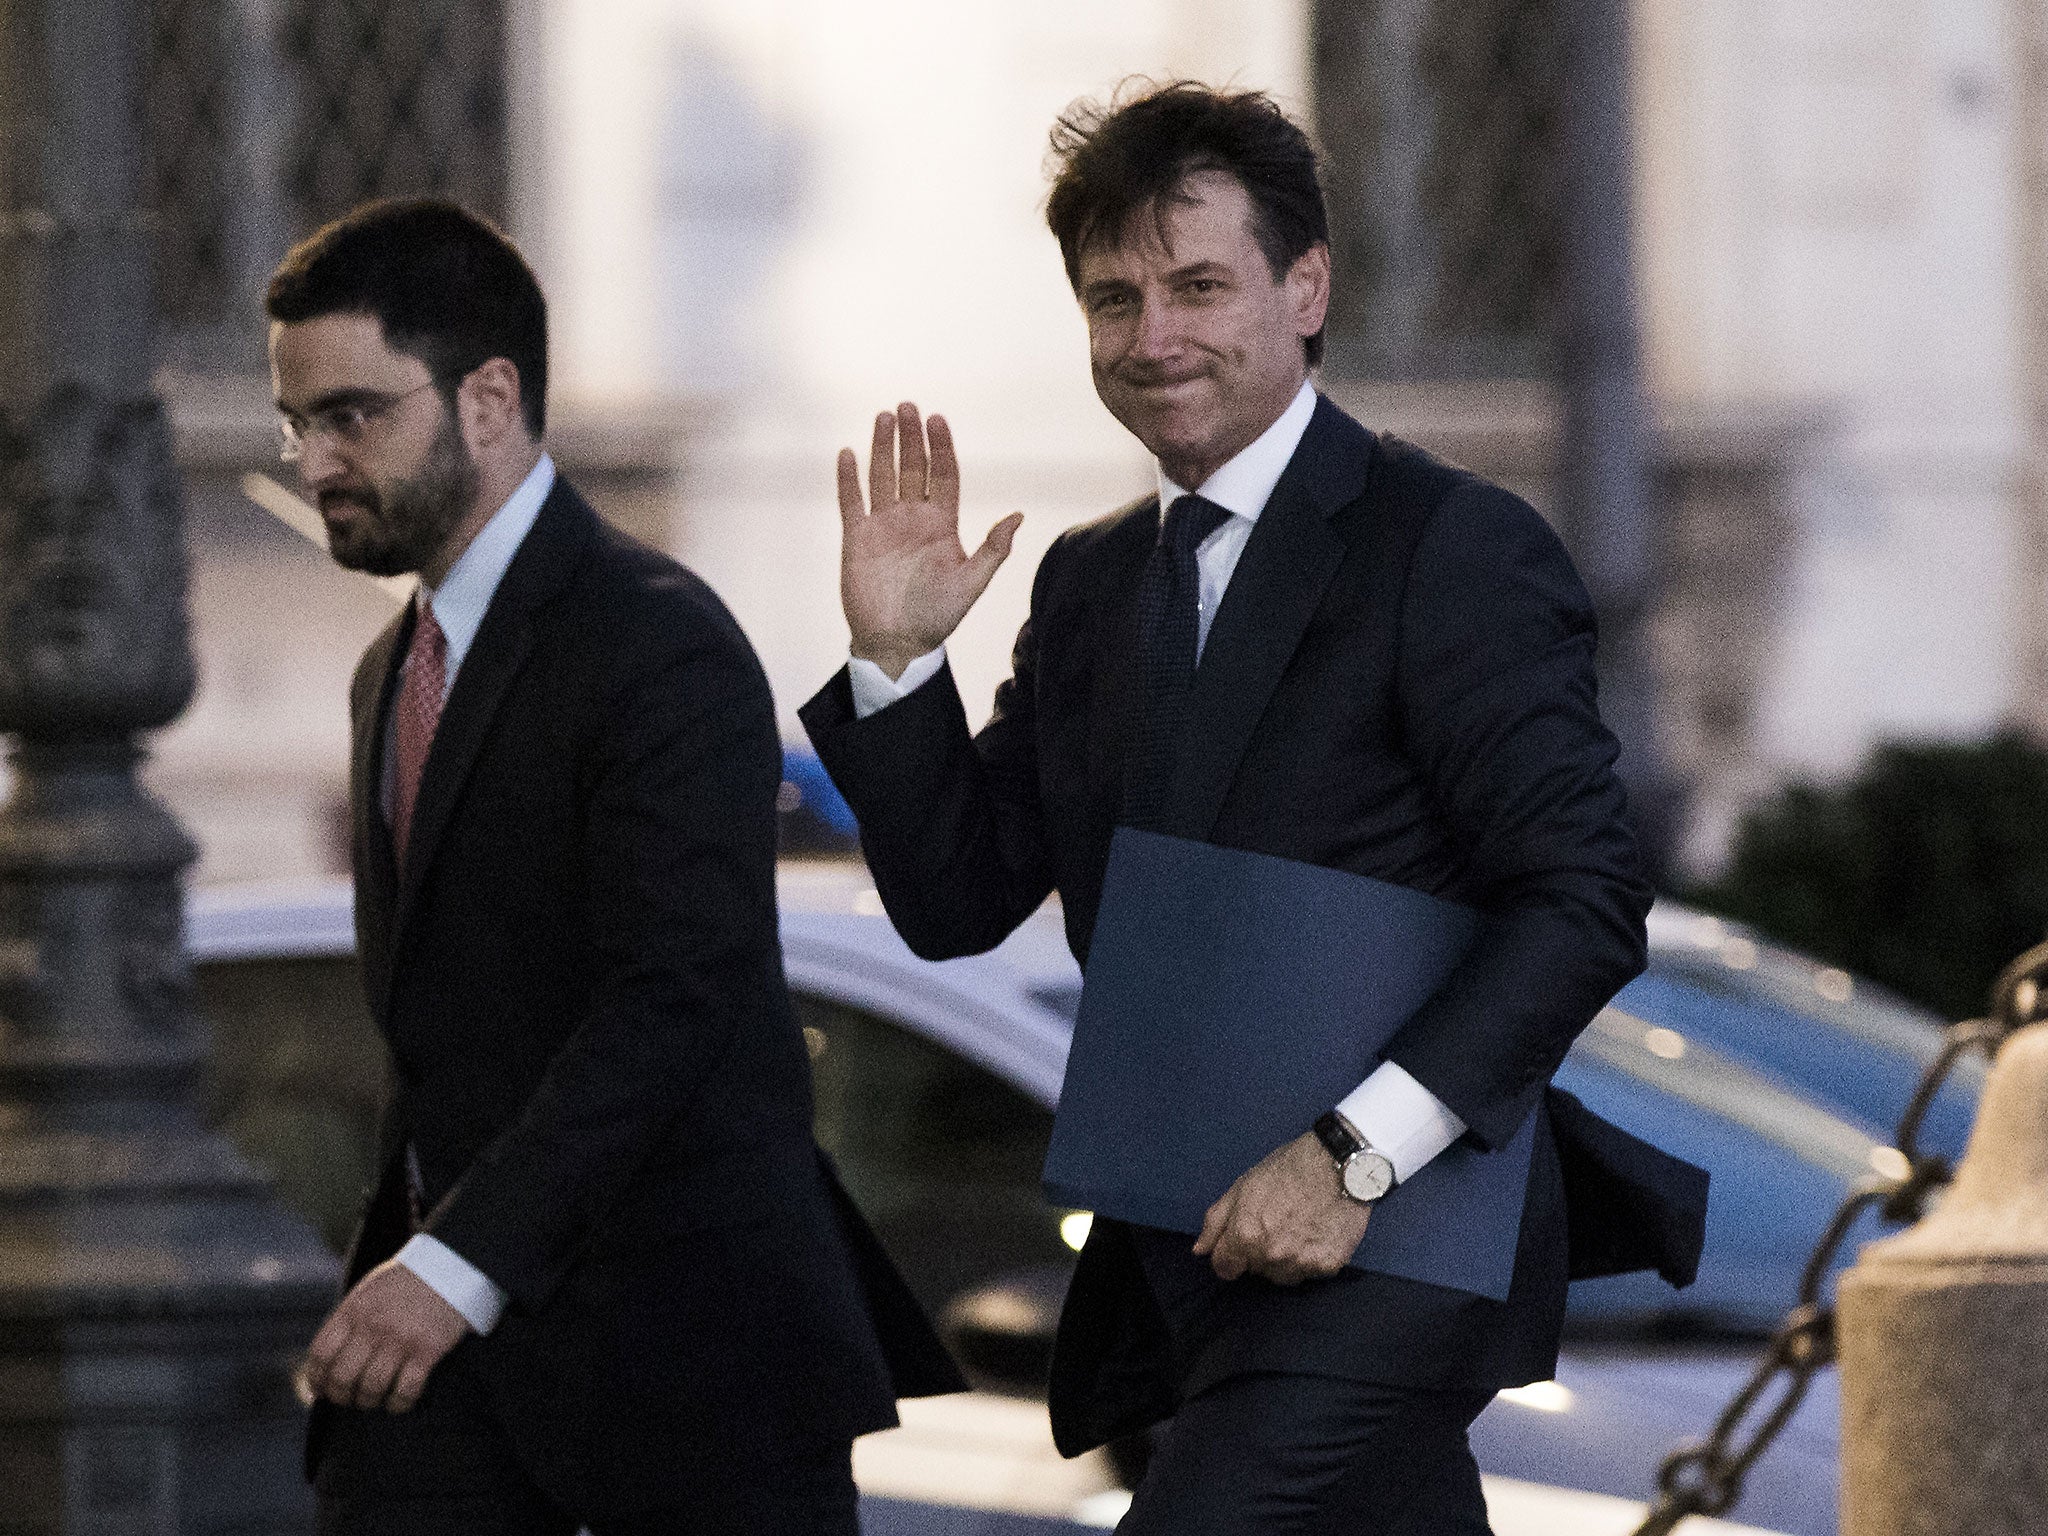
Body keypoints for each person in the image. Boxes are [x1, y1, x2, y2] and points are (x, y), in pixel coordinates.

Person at [801, 82, 1703, 1534]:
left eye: (1199, 286)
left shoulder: (1446, 547)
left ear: (1306, 285)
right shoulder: (1091, 585)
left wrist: (1353, 1156)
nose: (1153, 338)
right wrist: (898, 664)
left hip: (1398, 1248)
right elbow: (957, 904)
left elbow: (1581, 901)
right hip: (1191, 1261)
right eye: (1113, 300)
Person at [266, 197, 962, 1536]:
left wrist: (455, 1262)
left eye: (352, 415)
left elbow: (675, 997)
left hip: (690, 1376)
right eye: (299, 424)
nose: (315, 461)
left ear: (489, 397)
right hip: (461, 1380)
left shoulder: (655, 640)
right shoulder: (388, 674)